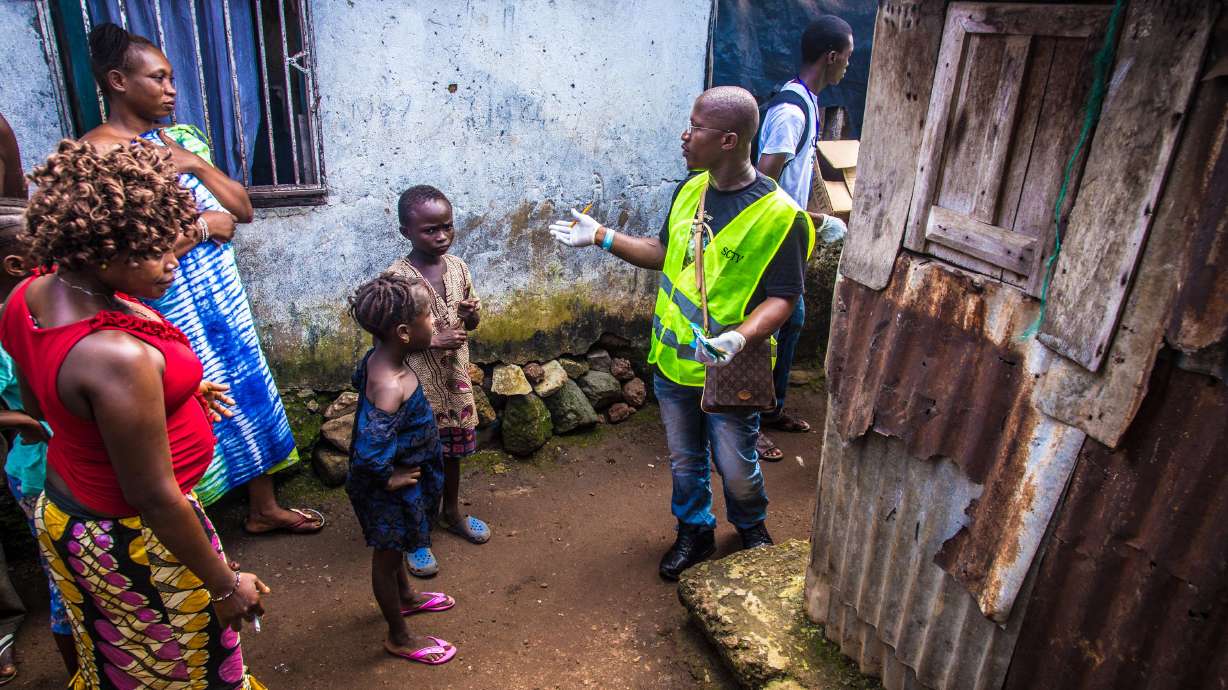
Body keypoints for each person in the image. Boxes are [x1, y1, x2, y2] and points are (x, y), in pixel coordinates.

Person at [0, 139, 269, 689]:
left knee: (120, 662)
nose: (173, 259)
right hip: (137, 538)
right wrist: (224, 585)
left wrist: (172, 397)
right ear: (99, 248)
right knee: (184, 672)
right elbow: (153, 496)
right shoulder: (113, 356)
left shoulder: (28, 297)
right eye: (151, 248)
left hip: (71, 515)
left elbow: (41, 405)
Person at [548, 86, 813, 580]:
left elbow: (784, 298)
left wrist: (738, 338)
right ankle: (694, 531)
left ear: (730, 139)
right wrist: (602, 236)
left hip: (732, 368)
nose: (684, 135)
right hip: (673, 363)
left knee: (735, 462)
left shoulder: (781, 217)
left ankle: (751, 527)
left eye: (696, 126)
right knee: (686, 459)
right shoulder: (691, 188)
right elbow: (661, 252)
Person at [80, 22, 324, 535]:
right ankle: (196, 538)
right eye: (159, 78)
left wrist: (191, 162)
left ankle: (263, 507)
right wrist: (198, 228)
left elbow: (240, 210)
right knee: (182, 408)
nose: (172, 89)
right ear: (119, 81)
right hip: (161, 304)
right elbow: (109, 259)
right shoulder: (97, 157)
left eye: (172, 78)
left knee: (246, 389)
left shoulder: (182, 138)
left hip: (219, 297)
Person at [753, 15, 853, 461]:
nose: (848, 67)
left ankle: (770, 409)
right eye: (847, 58)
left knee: (791, 323)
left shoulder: (808, 103)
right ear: (831, 57)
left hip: (788, 232)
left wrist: (806, 216)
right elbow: (762, 181)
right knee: (766, 329)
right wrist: (785, 224)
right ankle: (749, 421)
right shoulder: (790, 112)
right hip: (770, 238)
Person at [346, 272, 456, 665]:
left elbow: (359, 379)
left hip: (400, 478)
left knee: (397, 550)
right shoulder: (391, 385)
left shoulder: (380, 356)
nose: (435, 323)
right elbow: (369, 452)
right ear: (405, 332)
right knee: (387, 556)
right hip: (385, 492)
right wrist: (388, 476)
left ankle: (406, 597)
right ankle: (398, 635)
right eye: (429, 317)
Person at [386, 186, 488, 578]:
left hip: (455, 384)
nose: (441, 236)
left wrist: (470, 314)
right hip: (416, 391)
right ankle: (417, 534)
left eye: (447, 227)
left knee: (453, 456)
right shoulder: (397, 279)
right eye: (430, 230)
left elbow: (472, 321)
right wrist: (434, 338)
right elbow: (388, 337)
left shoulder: (459, 267)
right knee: (415, 461)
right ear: (406, 231)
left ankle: (451, 512)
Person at [0, 212, 76, 677]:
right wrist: (25, 420)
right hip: (39, 469)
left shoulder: (43, 311)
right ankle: (79, 676)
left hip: (66, 460)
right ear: (15, 264)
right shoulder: (8, 332)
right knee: (65, 583)